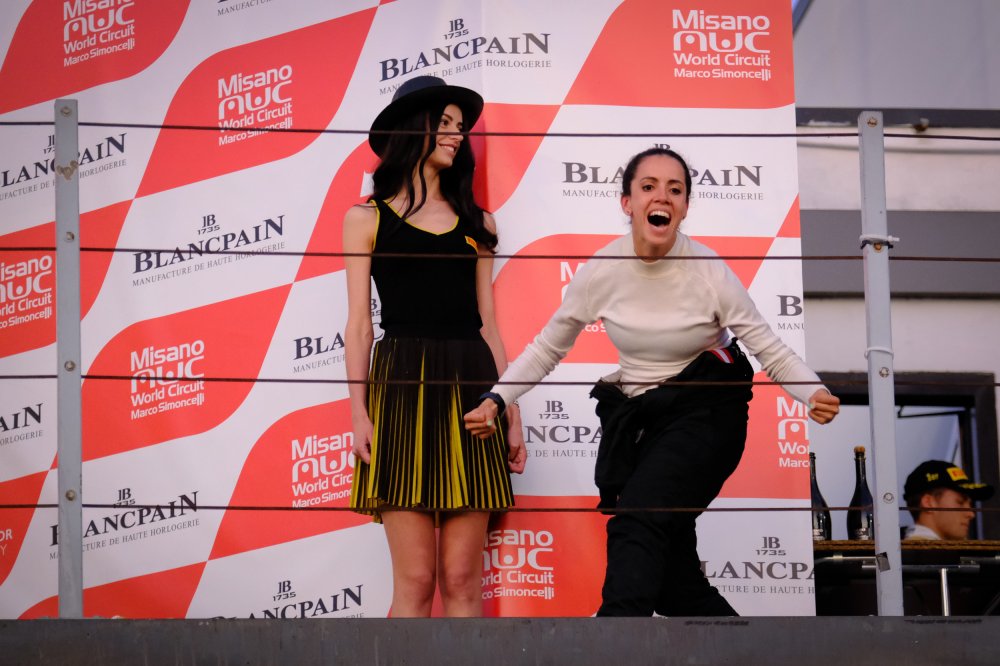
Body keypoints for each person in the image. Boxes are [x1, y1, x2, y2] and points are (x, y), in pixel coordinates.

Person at [464, 146, 840, 617]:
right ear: (628, 202)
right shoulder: (602, 270)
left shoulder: (708, 271)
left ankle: (613, 641)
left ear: (684, 207)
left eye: (675, 189)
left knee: (637, 522)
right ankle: (747, 651)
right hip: (643, 420)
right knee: (674, 585)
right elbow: (546, 349)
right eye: (648, 187)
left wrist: (813, 392)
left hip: (708, 413)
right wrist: (496, 399)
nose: (662, 196)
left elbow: (769, 348)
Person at [344, 75, 527, 618]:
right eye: (444, 123)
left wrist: (510, 410)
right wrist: (359, 413)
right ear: (413, 129)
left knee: (462, 579)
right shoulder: (366, 218)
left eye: (460, 126)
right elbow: (359, 326)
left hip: (473, 393)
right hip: (400, 391)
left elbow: (488, 326)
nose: (456, 135)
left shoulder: (479, 223)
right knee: (416, 580)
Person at [902, 460, 994, 540]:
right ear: (928, 503)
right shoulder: (920, 553)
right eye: (960, 502)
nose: (971, 514)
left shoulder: (901, 550)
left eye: (970, 504)